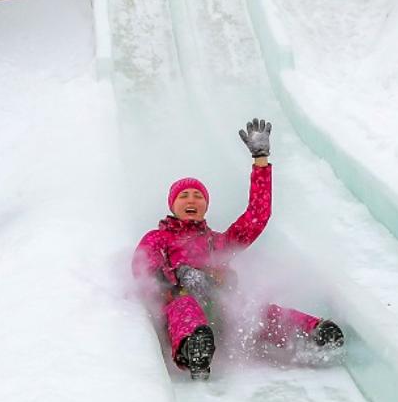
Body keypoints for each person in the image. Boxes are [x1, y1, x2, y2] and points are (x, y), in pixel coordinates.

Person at [132, 119, 344, 380]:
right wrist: (175, 278)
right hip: (180, 310)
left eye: (197, 196)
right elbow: (145, 265)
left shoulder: (216, 242)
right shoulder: (159, 238)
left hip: (220, 310)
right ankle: (194, 349)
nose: (191, 200)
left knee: (251, 309)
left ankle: (311, 334)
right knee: (184, 302)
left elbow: (257, 216)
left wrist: (261, 161)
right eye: (184, 196)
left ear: (205, 206)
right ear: (173, 204)